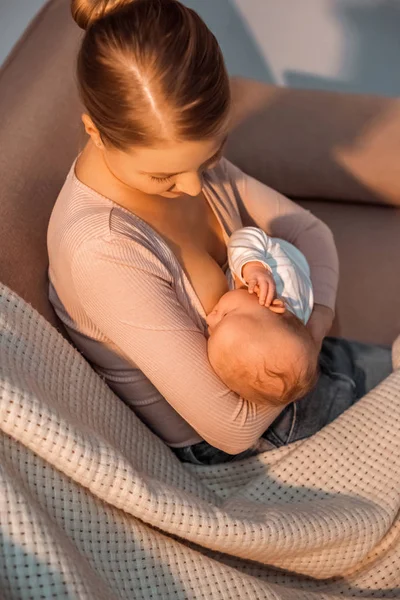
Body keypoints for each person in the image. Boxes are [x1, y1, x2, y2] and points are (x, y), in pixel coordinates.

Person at [47, 0, 392, 466]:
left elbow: (310, 231)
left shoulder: (183, 162)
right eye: (163, 177)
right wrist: (302, 341)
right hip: (255, 446)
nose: (193, 186)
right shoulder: (103, 249)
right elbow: (231, 428)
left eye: (208, 159)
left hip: (305, 365)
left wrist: (314, 329)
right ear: (96, 131)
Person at [206, 227, 318, 410]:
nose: (210, 318)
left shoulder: (273, 327)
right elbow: (247, 235)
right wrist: (254, 266)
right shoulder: (272, 277)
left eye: (211, 333)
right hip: (289, 255)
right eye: (225, 315)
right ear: (273, 305)